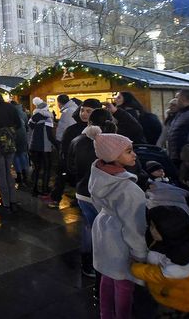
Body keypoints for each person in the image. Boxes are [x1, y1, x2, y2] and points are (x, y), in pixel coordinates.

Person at [87, 127, 147, 319]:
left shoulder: (98, 175)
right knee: (124, 283)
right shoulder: (129, 189)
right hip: (120, 238)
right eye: (128, 151)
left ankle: (106, 314)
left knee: (107, 275)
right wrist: (140, 253)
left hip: (103, 229)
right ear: (113, 156)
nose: (134, 154)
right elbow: (134, 227)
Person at [67, 108, 117, 278]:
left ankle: (88, 264)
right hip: (106, 192)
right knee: (107, 228)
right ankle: (106, 264)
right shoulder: (113, 142)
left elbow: (70, 167)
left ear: (89, 122)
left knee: (89, 226)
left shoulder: (77, 141)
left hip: (83, 191)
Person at [131, 206, 189, 316]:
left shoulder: (181, 259)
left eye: (156, 227)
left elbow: (159, 275)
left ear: (169, 231)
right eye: (151, 225)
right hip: (170, 295)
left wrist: (135, 268)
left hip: (175, 302)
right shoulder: (176, 240)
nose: (151, 229)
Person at [47, 99, 103, 208]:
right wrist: (65, 161)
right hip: (70, 163)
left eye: (88, 111)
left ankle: (81, 200)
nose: (84, 114)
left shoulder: (100, 129)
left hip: (90, 166)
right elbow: (64, 147)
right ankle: (55, 199)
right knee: (61, 179)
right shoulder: (72, 129)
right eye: (82, 110)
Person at [28, 97, 55, 197]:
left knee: (37, 168)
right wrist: (57, 144)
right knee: (47, 168)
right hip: (45, 147)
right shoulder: (48, 118)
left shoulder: (33, 117)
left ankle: (34, 189)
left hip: (33, 146)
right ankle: (44, 189)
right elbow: (49, 135)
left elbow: (29, 130)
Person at [167, 89, 189, 168]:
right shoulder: (181, 113)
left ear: (183, 98)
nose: (176, 100)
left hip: (187, 158)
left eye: (177, 98)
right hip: (179, 157)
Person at [10, 100, 29, 187]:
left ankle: (19, 175)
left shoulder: (11, 113)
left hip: (15, 135)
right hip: (23, 135)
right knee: (22, 155)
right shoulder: (23, 112)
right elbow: (26, 125)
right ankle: (25, 175)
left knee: (16, 155)